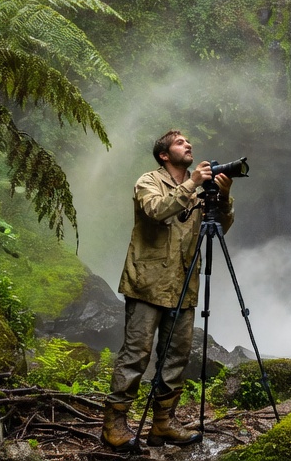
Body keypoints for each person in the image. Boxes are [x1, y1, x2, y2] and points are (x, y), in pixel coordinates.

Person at [100, 129, 233, 449]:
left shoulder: (202, 189)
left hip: (184, 283)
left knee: (176, 357)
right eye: (179, 143)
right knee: (136, 355)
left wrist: (223, 198)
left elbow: (218, 228)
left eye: (188, 142)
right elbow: (156, 210)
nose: (188, 145)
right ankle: (114, 425)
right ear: (164, 154)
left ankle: (163, 424)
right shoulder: (148, 182)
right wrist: (193, 184)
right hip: (147, 282)